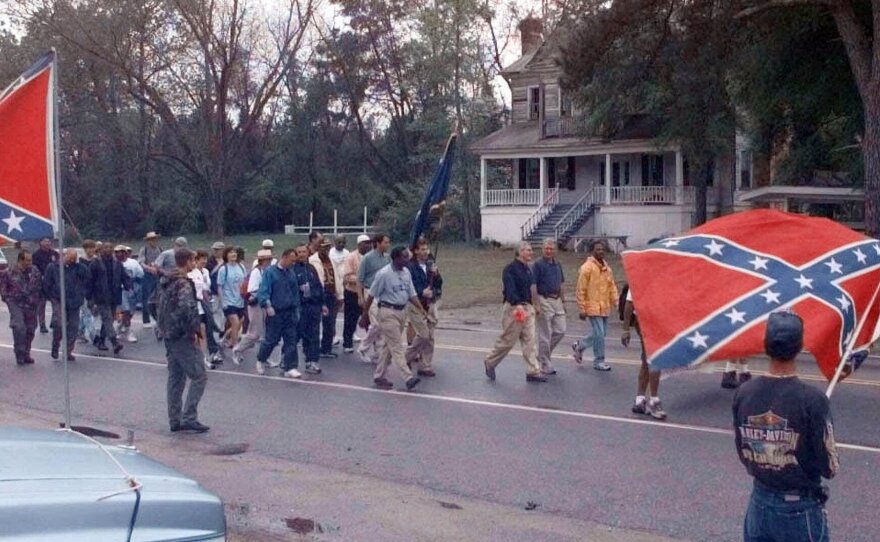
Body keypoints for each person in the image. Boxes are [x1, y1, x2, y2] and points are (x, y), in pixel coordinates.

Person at [733, 311, 838, 542]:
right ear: (800, 347)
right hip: (800, 509)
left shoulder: (744, 393)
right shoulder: (813, 400)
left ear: (765, 344)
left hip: (759, 502)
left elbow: (743, 451)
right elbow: (829, 466)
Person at [360, 245, 428, 391]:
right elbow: (371, 295)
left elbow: (412, 294)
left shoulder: (406, 273)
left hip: (402, 311)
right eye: (404, 257)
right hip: (387, 311)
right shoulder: (383, 274)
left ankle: (379, 375)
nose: (407, 259)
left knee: (388, 347)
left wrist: (421, 309)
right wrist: (364, 315)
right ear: (396, 258)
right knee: (396, 345)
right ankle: (408, 377)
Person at [157, 248, 209, 433]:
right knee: (199, 375)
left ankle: (175, 418)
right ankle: (189, 416)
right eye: (193, 260)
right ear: (187, 261)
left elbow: (157, 305)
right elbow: (186, 309)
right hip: (181, 336)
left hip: (168, 334)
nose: (194, 263)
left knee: (176, 377)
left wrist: (164, 328)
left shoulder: (166, 281)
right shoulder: (184, 284)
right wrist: (192, 331)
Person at [483, 242, 546, 383]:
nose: (531, 253)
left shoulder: (528, 269)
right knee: (508, 341)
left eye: (531, 250)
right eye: (528, 251)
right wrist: (517, 305)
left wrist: (535, 305)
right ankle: (490, 362)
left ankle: (533, 371)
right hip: (514, 308)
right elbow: (510, 290)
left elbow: (532, 288)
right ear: (520, 252)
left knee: (530, 341)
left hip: (527, 307)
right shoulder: (509, 269)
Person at [621, 286, 666, 420]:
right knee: (654, 358)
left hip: (659, 321)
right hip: (644, 320)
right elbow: (629, 303)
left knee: (647, 359)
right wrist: (625, 329)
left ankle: (640, 400)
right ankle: (653, 400)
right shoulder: (641, 275)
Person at [572, 240, 618, 371]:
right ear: (592, 251)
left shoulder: (607, 268)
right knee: (599, 334)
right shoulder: (587, 267)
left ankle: (579, 345)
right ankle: (599, 360)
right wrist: (582, 308)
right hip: (592, 306)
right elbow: (581, 289)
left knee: (601, 334)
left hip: (604, 306)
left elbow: (612, 287)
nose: (600, 251)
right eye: (597, 249)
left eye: (602, 249)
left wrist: (617, 302)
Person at [256, 247, 301, 378]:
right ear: (285, 257)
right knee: (271, 339)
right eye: (291, 260)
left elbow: (295, 293)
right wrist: (267, 305)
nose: (293, 264)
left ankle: (290, 366)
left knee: (291, 340)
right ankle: (261, 359)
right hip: (275, 311)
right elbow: (263, 290)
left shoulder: (291, 273)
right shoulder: (270, 272)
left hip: (289, 311)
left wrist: (297, 309)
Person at [43, 248, 91, 361]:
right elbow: (47, 283)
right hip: (58, 300)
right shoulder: (53, 267)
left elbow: (88, 279)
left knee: (73, 327)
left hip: (74, 301)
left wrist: (81, 292)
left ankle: (68, 351)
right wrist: (51, 295)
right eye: (70, 258)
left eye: (75, 258)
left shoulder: (80, 268)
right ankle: (55, 344)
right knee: (59, 324)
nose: (72, 260)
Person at [404, 238, 442, 377]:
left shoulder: (431, 265)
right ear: (415, 251)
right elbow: (409, 285)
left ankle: (425, 365)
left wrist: (436, 275)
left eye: (426, 249)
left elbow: (439, 284)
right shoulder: (410, 267)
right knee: (423, 334)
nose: (425, 252)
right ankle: (405, 358)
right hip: (415, 304)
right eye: (422, 249)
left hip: (430, 303)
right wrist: (421, 292)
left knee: (430, 336)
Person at [233, 249, 275, 373]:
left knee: (266, 334)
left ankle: (264, 356)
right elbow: (252, 290)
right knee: (255, 333)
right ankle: (238, 349)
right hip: (256, 304)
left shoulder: (266, 271)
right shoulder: (256, 272)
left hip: (265, 303)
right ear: (262, 260)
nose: (269, 261)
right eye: (267, 259)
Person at [0, 250, 43, 364]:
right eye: (27, 260)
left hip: (31, 303)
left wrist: (37, 298)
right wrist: (8, 299)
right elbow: (3, 289)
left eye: (30, 260)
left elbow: (39, 285)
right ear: (20, 260)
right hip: (16, 303)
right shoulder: (8, 272)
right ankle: (19, 353)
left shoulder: (34, 271)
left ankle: (26, 353)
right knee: (19, 327)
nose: (30, 262)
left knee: (31, 329)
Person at [89, 243, 131, 354]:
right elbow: (90, 281)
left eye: (110, 248)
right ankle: (114, 342)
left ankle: (101, 341)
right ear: (101, 250)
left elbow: (124, 276)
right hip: (101, 296)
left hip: (114, 295)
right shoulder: (95, 263)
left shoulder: (117, 263)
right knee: (107, 318)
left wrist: (128, 285)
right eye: (105, 248)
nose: (108, 250)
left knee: (109, 320)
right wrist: (90, 298)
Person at [532, 238, 566, 375]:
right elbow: (533, 285)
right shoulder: (537, 265)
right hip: (543, 299)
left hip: (557, 300)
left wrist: (563, 300)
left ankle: (542, 356)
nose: (549, 251)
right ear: (542, 249)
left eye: (551, 249)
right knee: (545, 334)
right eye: (546, 248)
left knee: (561, 330)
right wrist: (536, 303)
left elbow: (561, 283)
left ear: (555, 250)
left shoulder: (557, 264)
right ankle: (545, 363)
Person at [357, 233, 391, 363]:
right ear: (377, 243)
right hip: (369, 292)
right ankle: (363, 348)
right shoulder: (367, 258)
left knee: (382, 325)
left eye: (388, 243)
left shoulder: (387, 258)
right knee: (375, 324)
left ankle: (378, 353)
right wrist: (360, 297)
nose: (387, 245)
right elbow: (360, 279)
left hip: (383, 294)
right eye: (385, 242)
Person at [293, 245, 327, 374]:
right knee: (297, 334)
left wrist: (323, 303)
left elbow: (318, 286)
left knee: (314, 335)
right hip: (301, 307)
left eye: (304, 252)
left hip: (314, 306)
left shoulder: (311, 268)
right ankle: (287, 359)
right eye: (299, 252)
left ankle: (312, 361)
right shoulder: (293, 269)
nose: (302, 254)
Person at [188, 250, 221, 369]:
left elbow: (203, 289)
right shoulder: (186, 274)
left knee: (203, 331)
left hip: (200, 306)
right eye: (192, 260)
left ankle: (204, 358)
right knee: (191, 335)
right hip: (189, 307)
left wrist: (207, 303)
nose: (193, 263)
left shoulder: (199, 272)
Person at [310, 239, 342, 358]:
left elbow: (337, 278)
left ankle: (326, 349)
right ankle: (312, 348)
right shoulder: (313, 261)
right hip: (319, 294)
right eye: (324, 247)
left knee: (329, 323)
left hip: (331, 294)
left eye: (328, 247)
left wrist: (339, 295)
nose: (327, 250)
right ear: (319, 248)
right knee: (315, 323)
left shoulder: (331, 260)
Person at [341, 235, 370, 353]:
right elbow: (347, 276)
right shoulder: (351, 257)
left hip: (367, 292)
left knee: (369, 318)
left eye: (369, 243)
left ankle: (372, 344)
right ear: (359, 245)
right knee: (350, 319)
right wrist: (361, 279)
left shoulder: (371, 257)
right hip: (352, 292)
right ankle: (347, 343)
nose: (368, 245)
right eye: (365, 243)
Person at [216, 246, 246, 349]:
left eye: (235, 253)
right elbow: (219, 286)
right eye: (231, 253)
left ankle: (224, 338)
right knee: (235, 322)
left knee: (239, 323)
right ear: (226, 255)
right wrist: (222, 301)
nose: (234, 254)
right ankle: (235, 347)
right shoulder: (224, 269)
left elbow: (245, 283)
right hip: (229, 301)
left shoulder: (241, 267)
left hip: (240, 300)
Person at [32, 236, 59, 334]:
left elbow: (59, 265)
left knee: (56, 305)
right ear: (40, 243)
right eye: (45, 241)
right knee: (41, 306)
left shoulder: (54, 254)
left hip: (53, 284)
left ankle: (54, 322)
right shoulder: (36, 255)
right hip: (41, 283)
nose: (48, 243)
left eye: (49, 241)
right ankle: (42, 325)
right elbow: (33, 268)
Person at [137, 231, 163, 327]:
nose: (154, 241)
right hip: (147, 275)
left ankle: (158, 318)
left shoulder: (160, 249)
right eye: (151, 240)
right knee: (146, 297)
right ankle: (146, 320)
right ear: (148, 241)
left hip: (158, 274)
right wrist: (149, 268)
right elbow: (141, 262)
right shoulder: (144, 249)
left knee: (159, 296)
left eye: (155, 239)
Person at [118, 246, 144, 343]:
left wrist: (136, 288)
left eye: (126, 252)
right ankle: (128, 331)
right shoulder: (116, 263)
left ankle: (120, 327)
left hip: (131, 289)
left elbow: (140, 275)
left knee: (130, 312)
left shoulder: (133, 263)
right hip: (120, 290)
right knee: (126, 311)